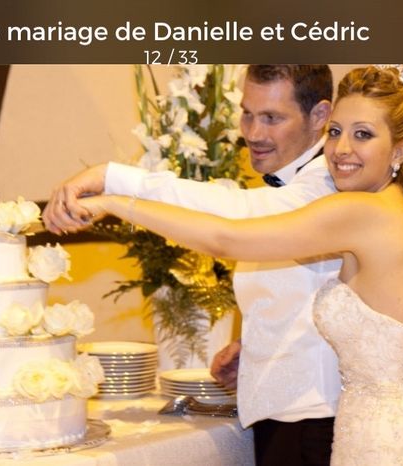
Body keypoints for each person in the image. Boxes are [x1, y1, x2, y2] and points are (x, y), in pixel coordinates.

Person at [56, 65, 403, 465]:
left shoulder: (362, 211)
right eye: (336, 132)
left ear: (399, 151)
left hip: (382, 442)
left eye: (363, 134)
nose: (341, 149)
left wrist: (117, 201)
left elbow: (227, 236)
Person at [44, 65, 340, 466]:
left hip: (314, 418)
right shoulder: (290, 182)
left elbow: (232, 221)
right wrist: (256, 349)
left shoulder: (326, 184)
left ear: (319, 115)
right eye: (247, 114)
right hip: (284, 412)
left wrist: (113, 183)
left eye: (272, 118)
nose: (253, 133)